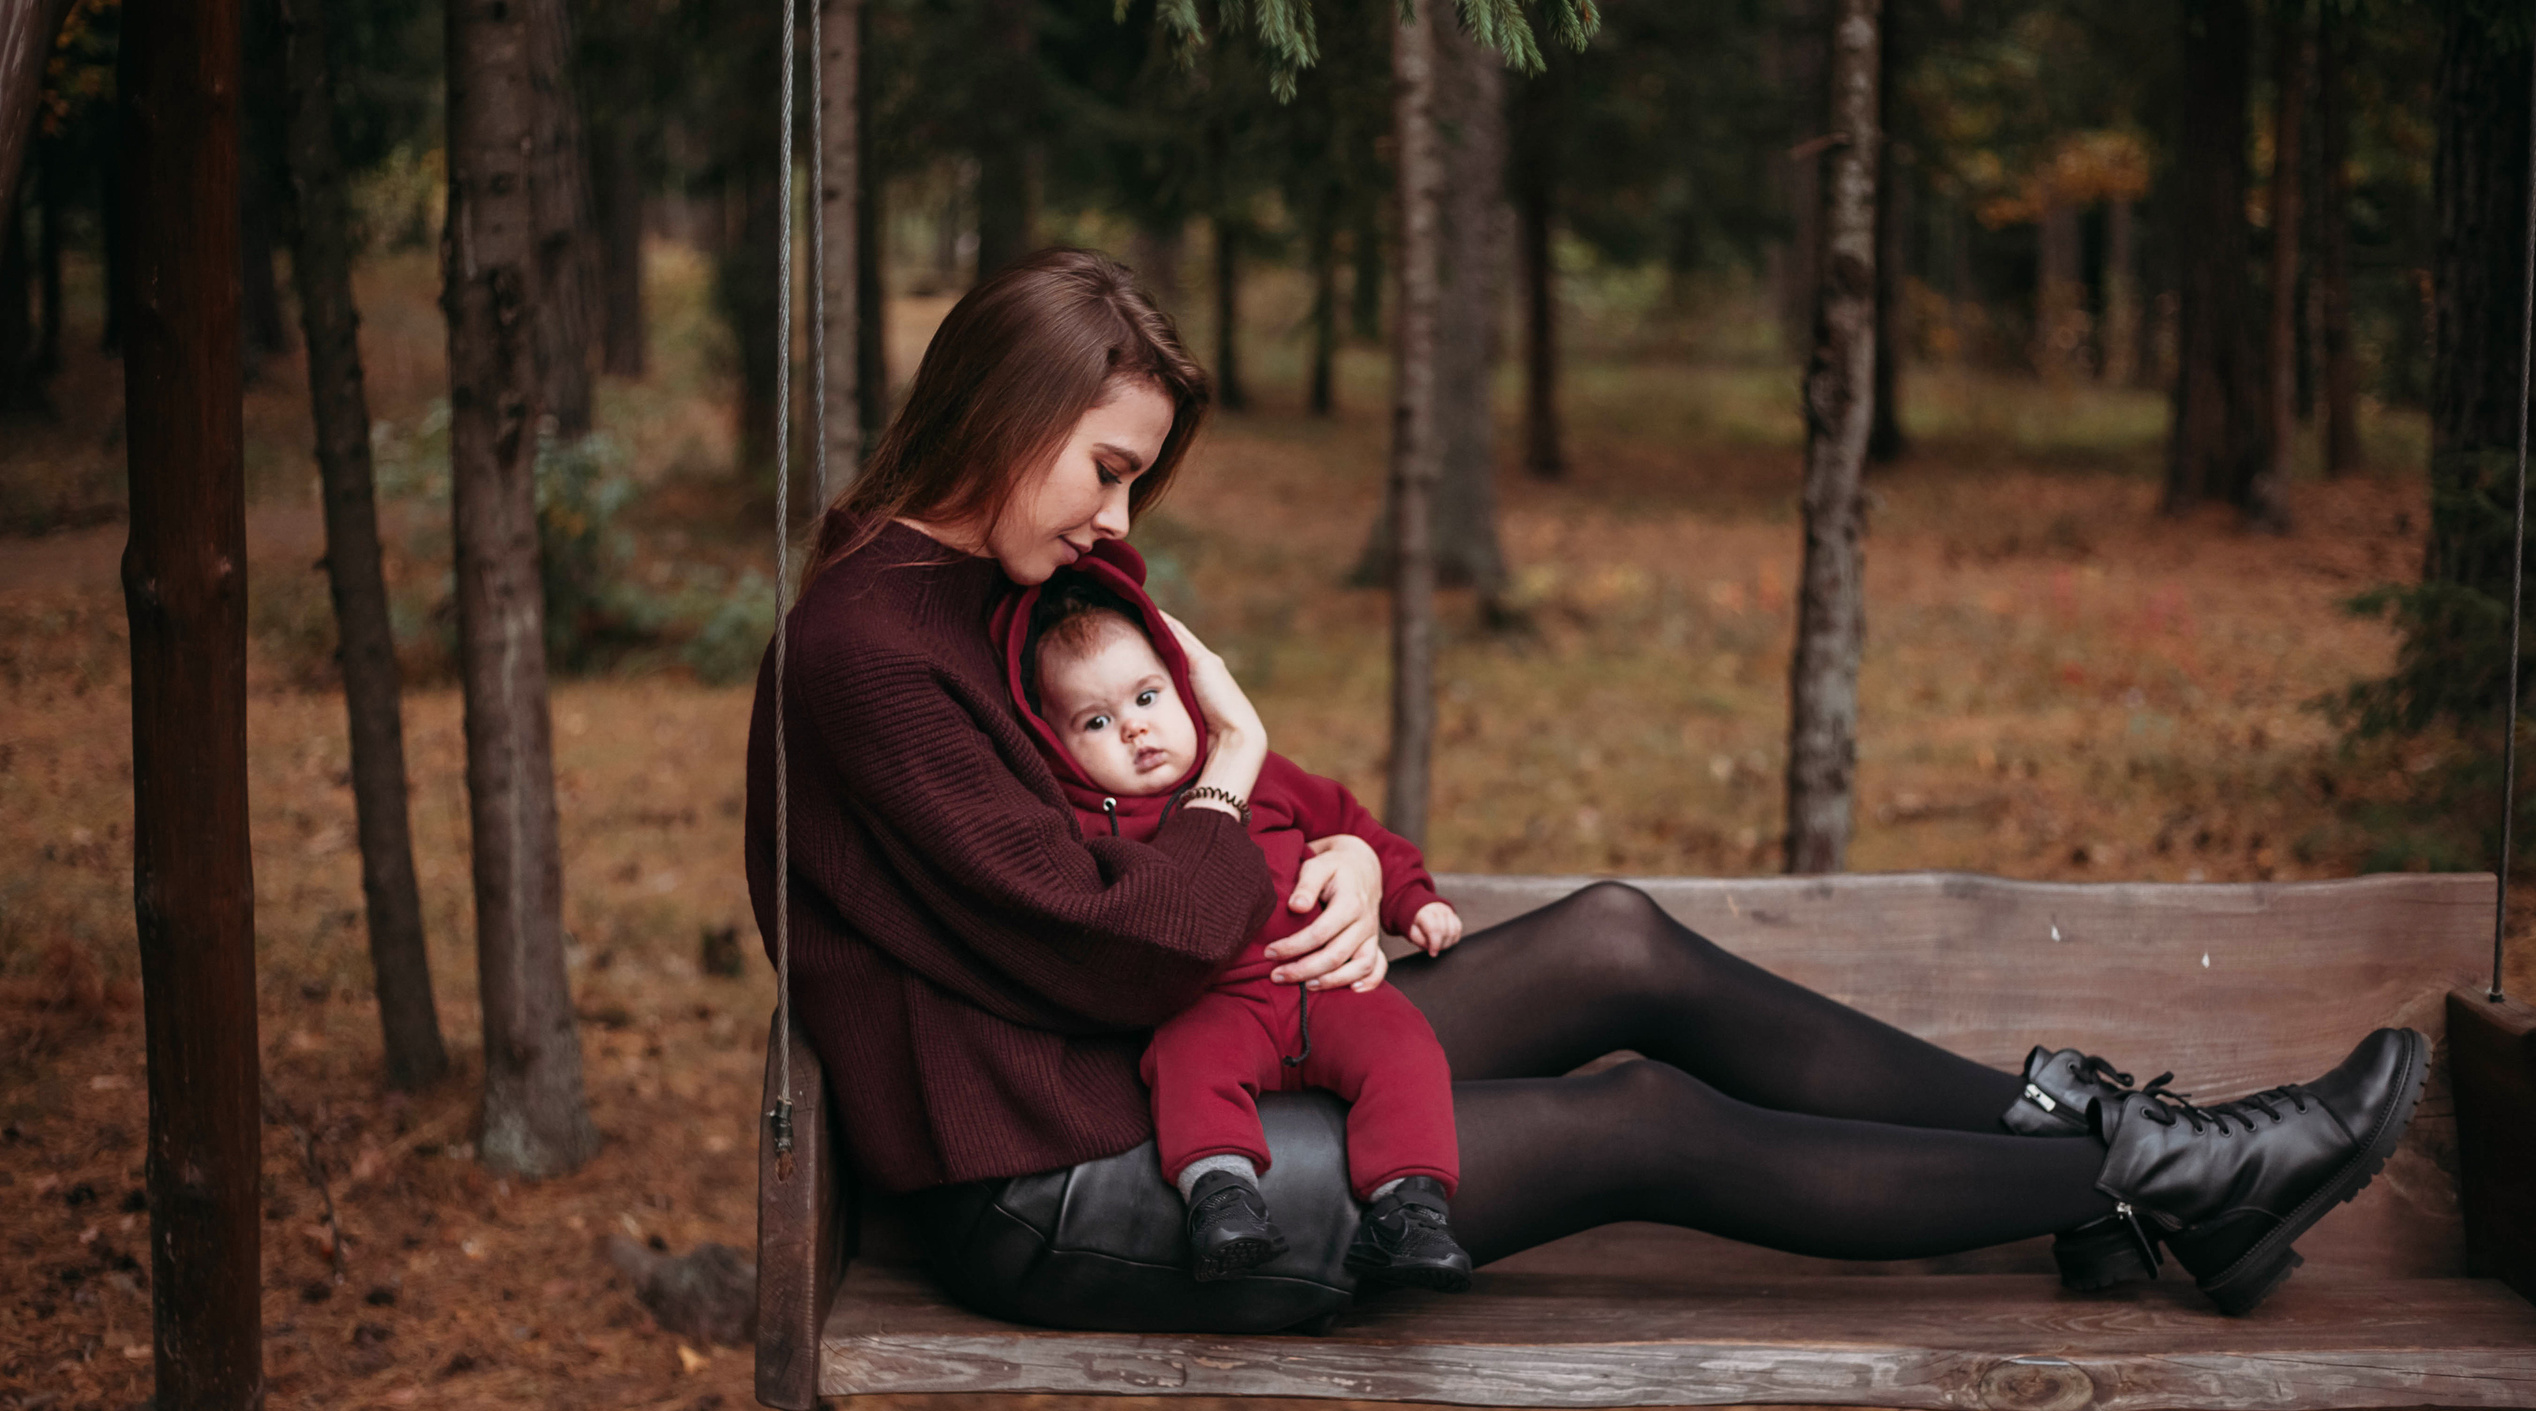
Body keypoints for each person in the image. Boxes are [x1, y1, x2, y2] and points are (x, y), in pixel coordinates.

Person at [744, 247, 2428, 1337]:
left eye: (1136, 481)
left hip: (1184, 1060)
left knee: (1618, 938)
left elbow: (1161, 862)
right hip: (1074, 1175)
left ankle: (2113, 1131)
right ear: (1009, 408)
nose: (1122, 518)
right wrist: (1237, 789)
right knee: (1642, 1119)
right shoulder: (869, 650)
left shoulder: (1007, 596)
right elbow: (1113, 943)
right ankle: (2168, 1176)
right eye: (1109, 466)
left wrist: (1323, 853)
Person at [1005, 553, 1472, 1290]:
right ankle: (1222, 1198)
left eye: (1147, 697)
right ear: (1058, 749)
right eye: (1096, 721)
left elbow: (1352, 825)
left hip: (1326, 986)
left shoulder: (1264, 774)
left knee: (1406, 1047)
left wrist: (1412, 898)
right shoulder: (1092, 833)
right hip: (1219, 1005)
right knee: (1187, 1065)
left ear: (1187, 692)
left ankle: (1408, 1209)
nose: (1135, 730)